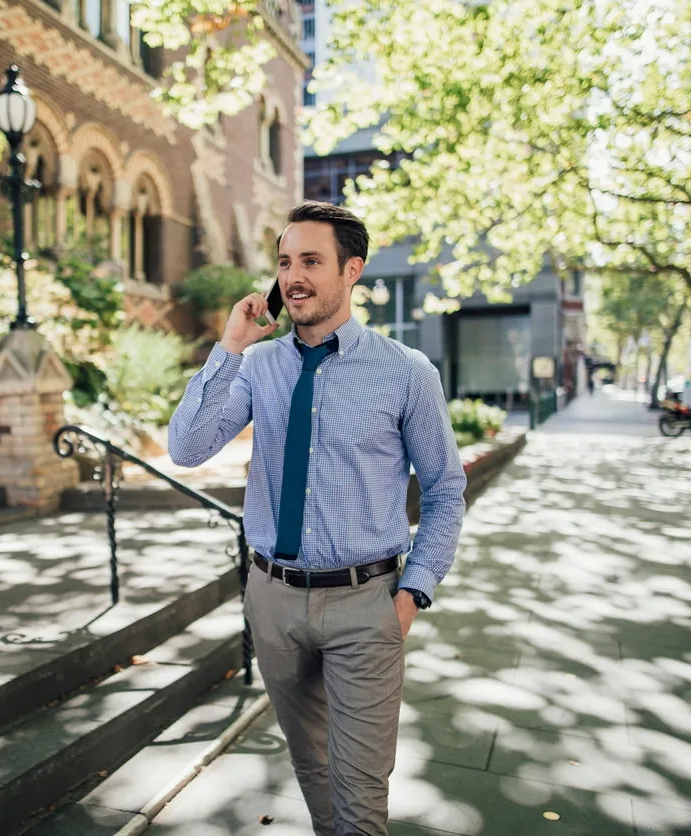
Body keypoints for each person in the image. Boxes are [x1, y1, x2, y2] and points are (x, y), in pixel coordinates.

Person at [167, 201, 466, 836]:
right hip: (273, 602)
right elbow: (187, 448)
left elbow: (445, 490)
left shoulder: (407, 373)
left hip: (366, 605)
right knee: (316, 775)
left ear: (351, 270)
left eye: (311, 261)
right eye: (284, 263)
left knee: (359, 795)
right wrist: (229, 347)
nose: (293, 277)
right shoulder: (258, 365)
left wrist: (414, 593)